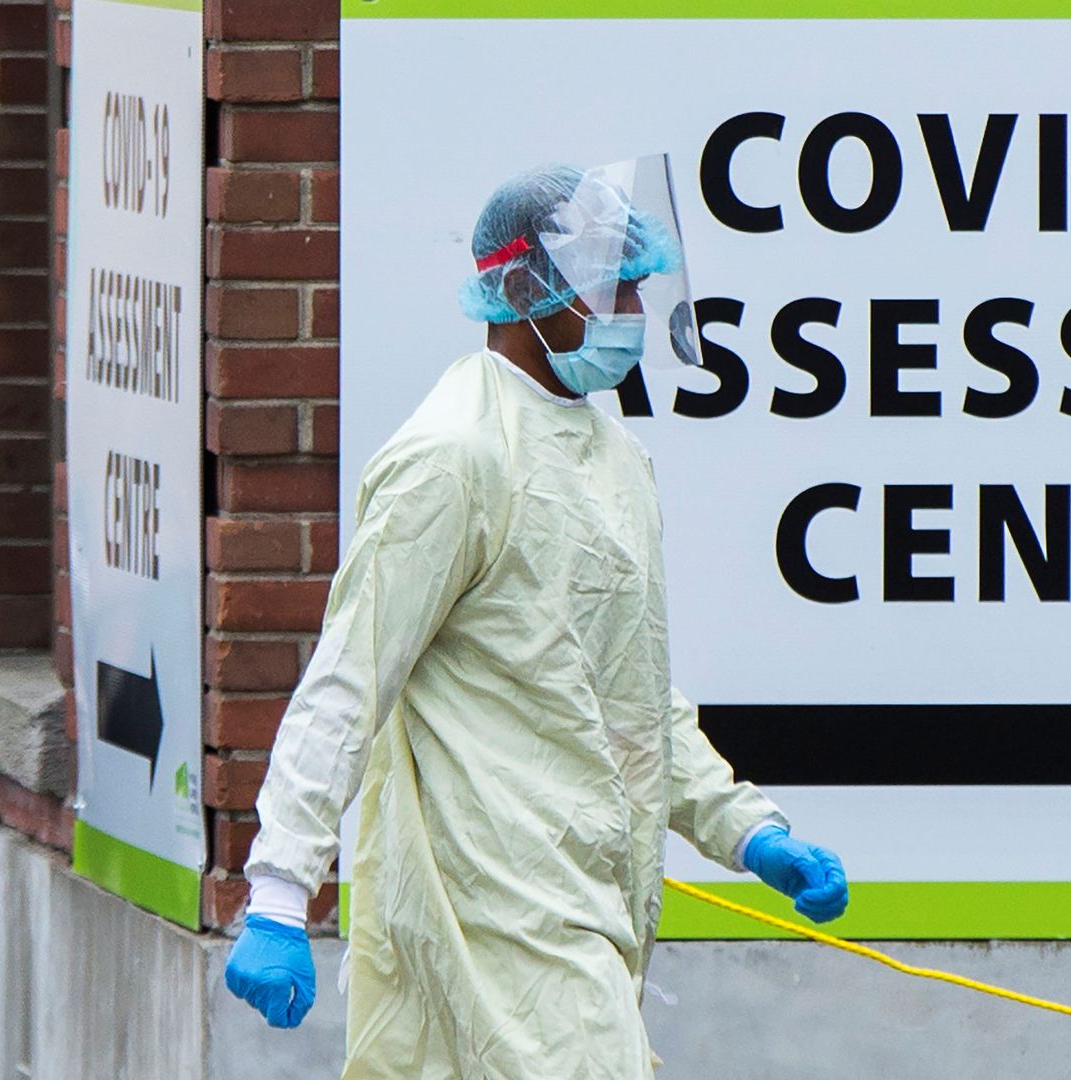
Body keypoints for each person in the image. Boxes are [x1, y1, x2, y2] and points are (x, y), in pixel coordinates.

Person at [222, 157, 849, 1078]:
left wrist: (745, 829)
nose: (632, 310)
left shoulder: (616, 461)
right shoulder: (453, 457)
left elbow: (628, 688)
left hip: (583, 886)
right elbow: (349, 680)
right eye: (612, 285)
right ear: (523, 289)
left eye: (638, 284)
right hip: (486, 894)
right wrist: (279, 890)